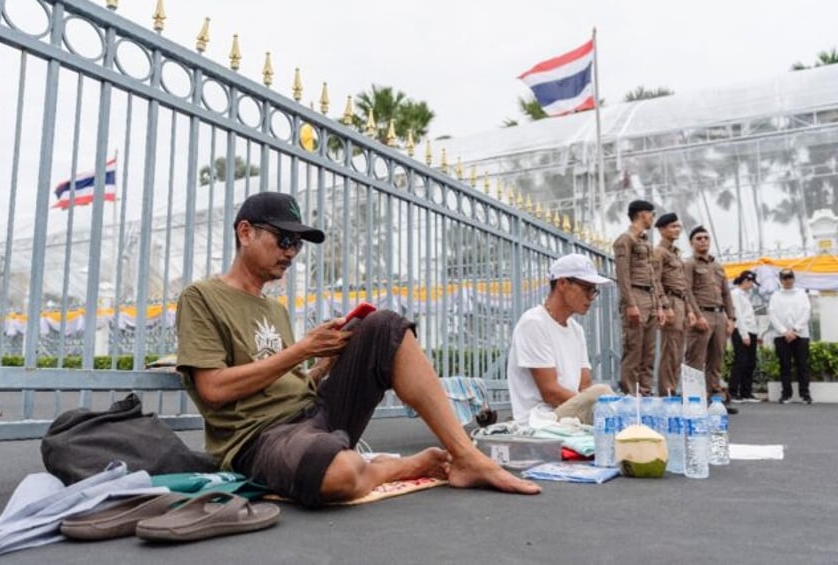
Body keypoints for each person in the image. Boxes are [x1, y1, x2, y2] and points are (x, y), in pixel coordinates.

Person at [175, 191, 540, 508]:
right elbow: (214, 389)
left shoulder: (275, 308)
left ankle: (465, 456)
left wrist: (321, 364)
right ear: (245, 232)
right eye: (284, 239)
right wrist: (302, 350)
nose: (291, 252)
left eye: (297, 244)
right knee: (341, 474)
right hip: (260, 437)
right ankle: (407, 464)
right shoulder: (202, 297)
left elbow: (282, 379)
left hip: (313, 412)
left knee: (384, 325)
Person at [507, 253, 616, 425]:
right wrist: (595, 406)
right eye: (587, 289)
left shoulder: (576, 330)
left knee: (607, 400)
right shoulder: (534, 323)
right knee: (602, 394)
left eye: (594, 291)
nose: (591, 298)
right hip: (540, 420)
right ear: (563, 283)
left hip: (567, 416)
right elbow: (550, 392)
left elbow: (585, 386)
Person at [613, 199, 666, 396]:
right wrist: (630, 304)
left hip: (650, 299)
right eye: (651, 214)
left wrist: (659, 305)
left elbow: (653, 277)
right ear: (642, 214)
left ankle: (645, 392)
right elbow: (622, 275)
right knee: (633, 350)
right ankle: (630, 394)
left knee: (649, 352)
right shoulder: (625, 240)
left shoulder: (644, 242)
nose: (652, 218)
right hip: (635, 296)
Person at [683, 226, 738, 413]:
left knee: (717, 360)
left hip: (719, 316)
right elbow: (687, 292)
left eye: (706, 238)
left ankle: (715, 400)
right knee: (695, 360)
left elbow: (726, 294)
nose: (703, 241)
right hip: (702, 314)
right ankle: (693, 401)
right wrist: (697, 315)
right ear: (692, 242)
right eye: (698, 238)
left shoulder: (717, 266)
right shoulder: (689, 264)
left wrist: (731, 318)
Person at [653, 212, 700, 396]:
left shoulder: (675, 253)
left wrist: (689, 310)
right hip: (671, 301)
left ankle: (673, 388)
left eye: (677, 226)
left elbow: (683, 285)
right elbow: (655, 281)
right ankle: (666, 393)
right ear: (662, 229)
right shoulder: (659, 252)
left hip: (681, 302)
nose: (676, 230)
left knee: (678, 352)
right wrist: (665, 306)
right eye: (672, 226)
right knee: (670, 351)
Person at [768, 268, 812, 404]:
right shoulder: (775, 295)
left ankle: (805, 394)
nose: (787, 280)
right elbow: (772, 314)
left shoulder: (802, 294)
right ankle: (786, 394)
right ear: (780, 280)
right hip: (781, 335)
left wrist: (795, 329)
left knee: (802, 365)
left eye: (790, 277)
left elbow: (806, 312)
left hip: (801, 334)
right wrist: (784, 331)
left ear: (793, 278)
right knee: (784, 365)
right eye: (784, 278)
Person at [729, 270, 761, 403]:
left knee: (750, 363)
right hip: (741, 331)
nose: (752, 285)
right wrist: (744, 334)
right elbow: (738, 316)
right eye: (751, 282)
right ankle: (733, 392)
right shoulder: (735, 294)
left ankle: (746, 392)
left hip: (751, 331)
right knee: (740, 362)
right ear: (746, 281)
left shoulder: (745, 295)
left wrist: (755, 333)